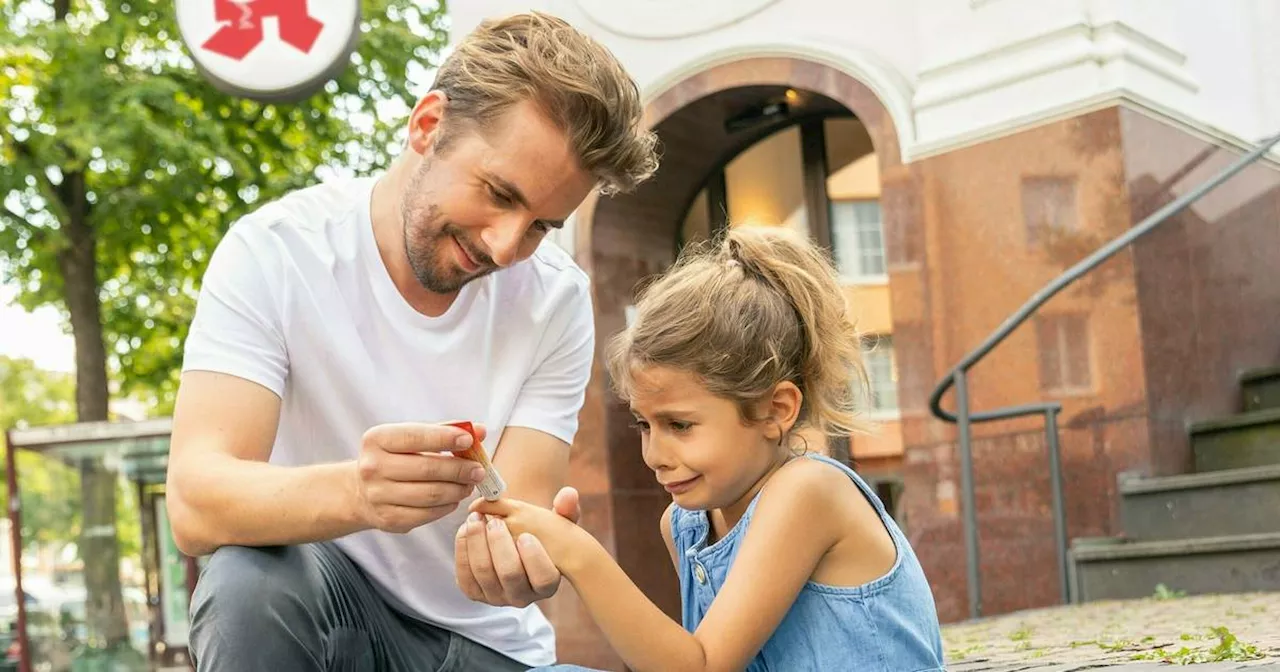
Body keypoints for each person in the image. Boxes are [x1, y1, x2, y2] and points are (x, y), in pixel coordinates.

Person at [165, 11, 658, 671]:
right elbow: (196, 500)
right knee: (247, 580)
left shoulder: (556, 300)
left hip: (484, 648)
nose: (506, 246)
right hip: (324, 625)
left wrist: (523, 565)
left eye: (541, 225)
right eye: (498, 194)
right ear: (428, 126)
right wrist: (359, 495)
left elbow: (523, 511)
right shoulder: (277, 253)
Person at [470, 226, 947, 672]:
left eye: (680, 424)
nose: (655, 453)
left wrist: (580, 556)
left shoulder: (809, 491)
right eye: (644, 424)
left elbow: (701, 665)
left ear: (775, 410)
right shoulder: (685, 524)